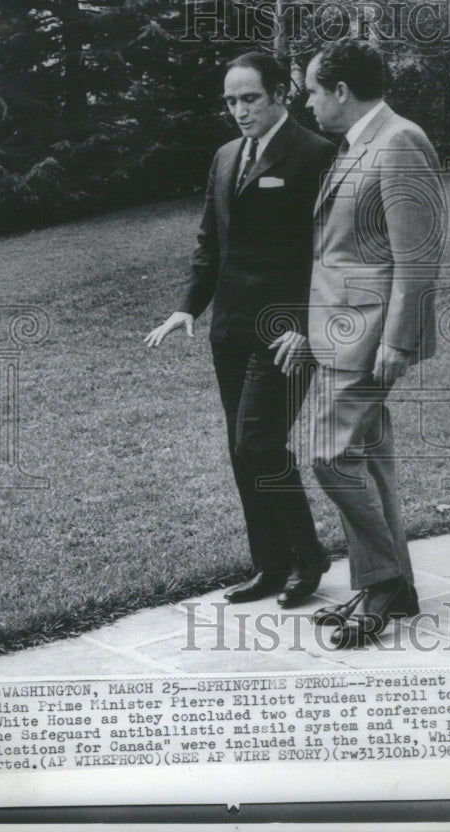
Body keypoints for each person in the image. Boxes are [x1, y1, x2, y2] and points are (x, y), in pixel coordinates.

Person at [145, 52, 334, 607]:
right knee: (241, 447)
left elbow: (329, 254)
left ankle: (308, 554)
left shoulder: (317, 154)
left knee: (259, 441)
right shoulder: (226, 156)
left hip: (286, 335)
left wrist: (306, 324)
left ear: (280, 94)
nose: (239, 110)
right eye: (231, 100)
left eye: (250, 98)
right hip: (229, 330)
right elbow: (211, 243)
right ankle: (270, 565)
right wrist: (188, 307)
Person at [276, 39, 442, 648]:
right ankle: (392, 589)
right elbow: (337, 252)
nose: (308, 103)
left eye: (313, 91)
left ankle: (384, 581)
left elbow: (417, 254)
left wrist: (398, 340)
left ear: (341, 91)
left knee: (326, 452)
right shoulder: (357, 143)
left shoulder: (399, 141)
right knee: (369, 458)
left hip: (371, 335)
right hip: (339, 332)